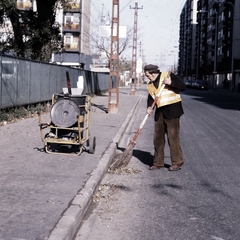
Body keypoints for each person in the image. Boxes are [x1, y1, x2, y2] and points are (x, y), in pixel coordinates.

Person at [143, 64, 186, 171]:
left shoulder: (168, 76)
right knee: (157, 138)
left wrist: (171, 83)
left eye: (148, 75)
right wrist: (149, 107)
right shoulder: (150, 85)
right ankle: (158, 162)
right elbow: (151, 96)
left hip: (172, 111)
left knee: (172, 137)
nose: (147, 77)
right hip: (160, 111)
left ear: (153, 73)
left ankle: (177, 162)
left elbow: (182, 86)